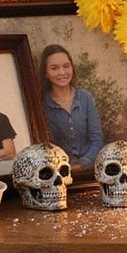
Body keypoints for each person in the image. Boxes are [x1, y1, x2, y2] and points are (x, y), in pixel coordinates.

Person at [39, 44, 104, 177]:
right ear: (45, 73)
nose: (62, 72)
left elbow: (97, 138)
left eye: (66, 66)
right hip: (57, 174)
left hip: (90, 170)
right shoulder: (41, 104)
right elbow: (43, 146)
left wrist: (83, 164)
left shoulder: (85, 97)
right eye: (54, 68)